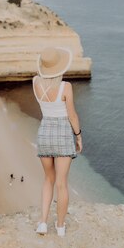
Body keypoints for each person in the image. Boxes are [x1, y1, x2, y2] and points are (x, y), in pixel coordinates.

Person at [32, 46, 82, 237]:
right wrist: (78, 135)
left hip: (44, 133)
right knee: (61, 183)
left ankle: (43, 223)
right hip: (62, 135)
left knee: (48, 179)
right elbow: (72, 116)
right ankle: (60, 226)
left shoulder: (35, 81)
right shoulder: (65, 86)